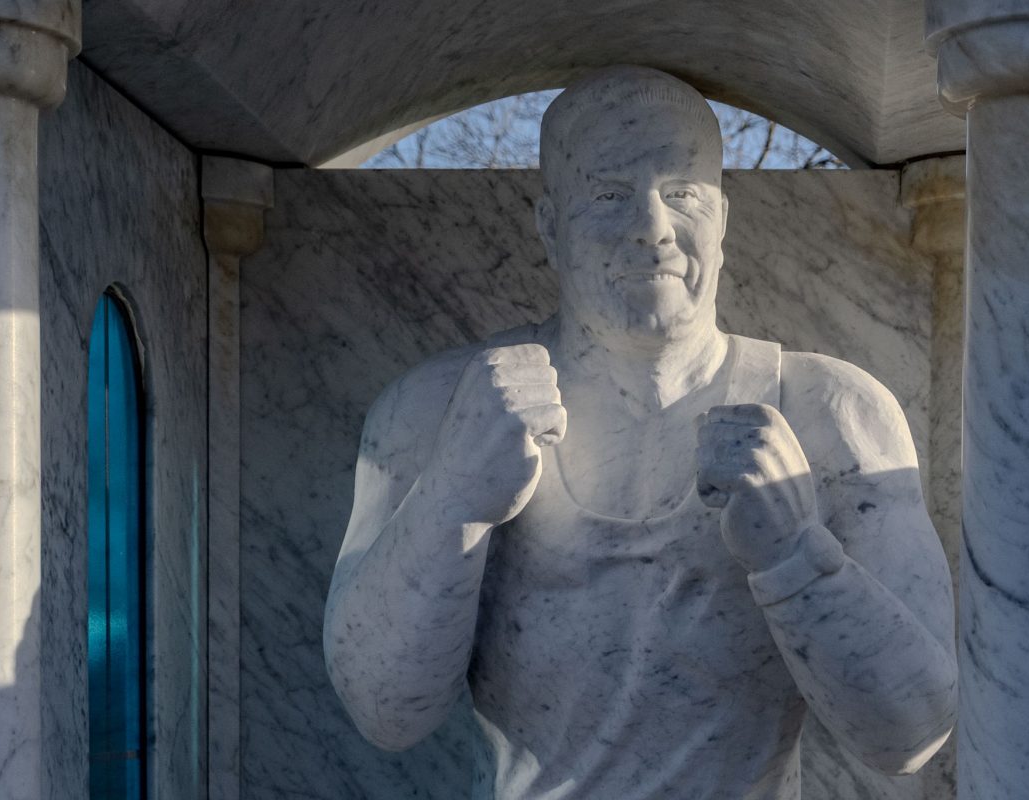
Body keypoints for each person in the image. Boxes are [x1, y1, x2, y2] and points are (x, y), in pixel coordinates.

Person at [324, 66, 956, 799]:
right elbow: (383, 710)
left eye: (682, 194)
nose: (651, 228)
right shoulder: (440, 409)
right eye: (609, 196)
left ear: (722, 218)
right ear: (550, 228)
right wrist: (453, 497)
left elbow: (910, 735)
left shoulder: (833, 412)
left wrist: (796, 556)